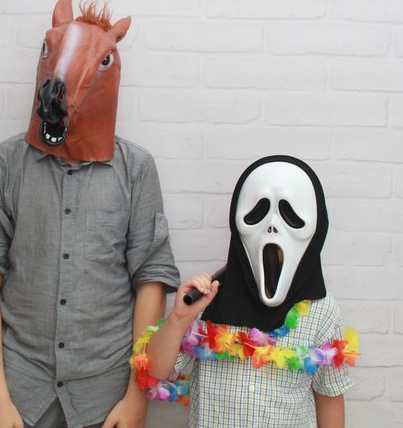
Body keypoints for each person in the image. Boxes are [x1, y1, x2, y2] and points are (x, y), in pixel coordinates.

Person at [0, 0, 180, 428]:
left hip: (106, 396)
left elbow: (150, 281)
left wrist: (137, 398)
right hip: (18, 392)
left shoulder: (137, 169)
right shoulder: (2, 164)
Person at [130, 155, 359, 428]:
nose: (272, 226)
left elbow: (329, 397)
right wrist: (179, 319)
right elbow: (155, 372)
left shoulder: (321, 310)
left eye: (291, 215)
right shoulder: (208, 301)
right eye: (257, 212)